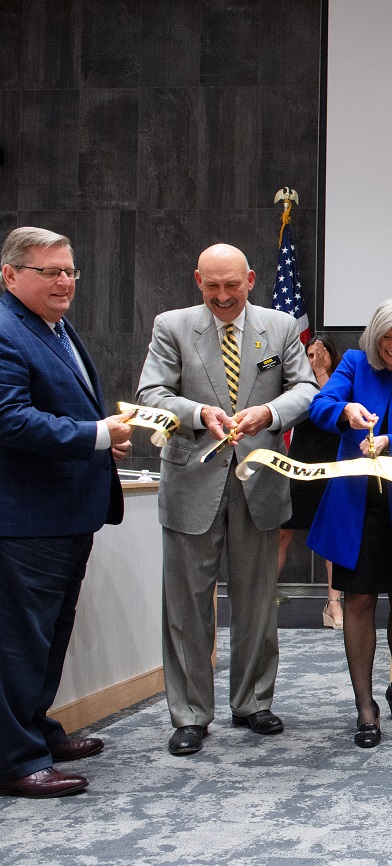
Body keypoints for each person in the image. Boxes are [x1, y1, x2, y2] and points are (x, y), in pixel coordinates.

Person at [136, 243, 316, 757]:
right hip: (192, 481)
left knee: (258, 601)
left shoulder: (281, 328)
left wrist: (269, 414)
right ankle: (190, 714)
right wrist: (197, 414)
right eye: (212, 286)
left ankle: (253, 702)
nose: (221, 296)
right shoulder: (172, 326)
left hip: (260, 483)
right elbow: (151, 394)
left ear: (252, 280)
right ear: (198, 280)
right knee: (187, 607)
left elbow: (305, 390)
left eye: (231, 286)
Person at [0, 228, 133, 798]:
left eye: (70, 271)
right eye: (49, 272)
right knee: (18, 643)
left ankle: (35, 730)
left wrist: (99, 440)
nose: (64, 282)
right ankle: (14, 759)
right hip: (25, 522)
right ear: (10, 275)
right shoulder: (5, 330)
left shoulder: (49, 325)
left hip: (64, 516)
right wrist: (95, 434)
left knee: (50, 638)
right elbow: (8, 419)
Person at [306, 300, 392, 748]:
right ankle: (365, 706)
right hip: (355, 505)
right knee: (359, 600)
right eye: (385, 337)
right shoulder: (351, 364)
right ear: (373, 337)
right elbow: (319, 406)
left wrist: (389, 441)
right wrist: (346, 412)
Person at [277, 335, 344, 628]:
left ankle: (333, 604)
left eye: (321, 352)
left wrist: (320, 372)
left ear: (331, 355)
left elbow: (330, 406)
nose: (315, 357)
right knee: (283, 533)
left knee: (332, 540)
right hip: (300, 467)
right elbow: (303, 407)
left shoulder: (343, 382)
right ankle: (263, 598)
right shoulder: (298, 387)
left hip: (332, 468)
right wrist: (311, 374)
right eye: (309, 354)